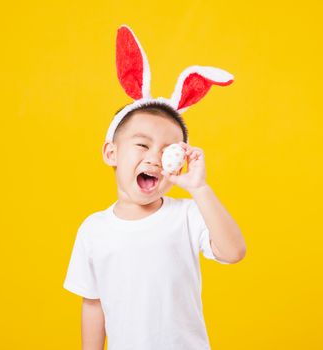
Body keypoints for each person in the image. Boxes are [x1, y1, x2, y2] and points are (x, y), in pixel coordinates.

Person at [63, 25, 246, 350]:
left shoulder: (188, 214)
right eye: (143, 145)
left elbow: (234, 252)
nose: (155, 158)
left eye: (167, 150)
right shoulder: (93, 230)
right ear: (112, 153)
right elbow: (92, 304)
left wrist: (200, 189)